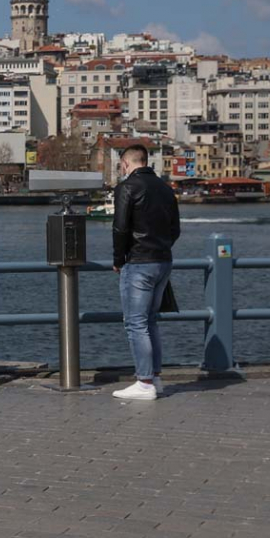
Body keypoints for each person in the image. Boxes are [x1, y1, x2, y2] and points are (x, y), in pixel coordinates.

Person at [111, 144, 181, 401]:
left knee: (136, 323)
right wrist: (161, 248)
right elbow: (175, 229)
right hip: (163, 261)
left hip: (139, 262)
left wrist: (119, 259)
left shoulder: (127, 187)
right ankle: (156, 378)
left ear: (126, 164)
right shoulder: (165, 188)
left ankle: (144, 382)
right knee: (150, 321)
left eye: (121, 166)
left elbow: (119, 228)